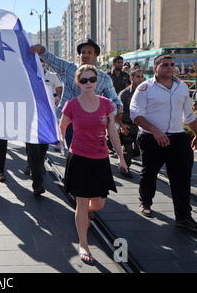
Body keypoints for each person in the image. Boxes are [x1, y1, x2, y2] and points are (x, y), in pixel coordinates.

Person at [59, 65, 128, 265]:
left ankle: (84, 217)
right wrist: (61, 144)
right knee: (81, 203)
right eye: (84, 80)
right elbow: (63, 126)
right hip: (79, 157)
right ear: (78, 83)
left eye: (91, 79)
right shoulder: (71, 104)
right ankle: (83, 243)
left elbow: (112, 132)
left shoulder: (106, 104)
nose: (88, 83)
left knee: (98, 203)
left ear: (97, 81)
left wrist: (121, 157)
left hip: (100, 158)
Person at [130, 55, 197, 231]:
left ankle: (183, 217)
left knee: (182, 178)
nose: (169, 67)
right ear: (155, 68)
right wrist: (155, 131)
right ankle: (145, 201)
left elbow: (188, 115)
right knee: (150, 172)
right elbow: (135, 114)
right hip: (151, 138)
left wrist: (196, 134)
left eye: (172, 65)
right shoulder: (145, 88)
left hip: (178, 137)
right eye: (164, 65)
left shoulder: (182, 87)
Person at [30, 39, 123, 148]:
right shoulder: (69, 68)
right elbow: (51, 59)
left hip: (92, 125)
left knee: (90, 156)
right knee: (74, 153)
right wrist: (40, 49)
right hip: (70, 123)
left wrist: (118, 109)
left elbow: (113, 99)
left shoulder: (104, 78)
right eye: (83, 52)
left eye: (89, 52)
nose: (85, 55)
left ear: (95, 55)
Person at [116, 69, 145, 178]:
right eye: (138, 76)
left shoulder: (145, 92)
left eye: (142, 77)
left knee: (139, 150)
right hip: (127, 125)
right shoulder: (124, 94)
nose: (141, 79)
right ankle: (125, 168)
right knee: (127, 149)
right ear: (132, 78)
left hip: (141, 125)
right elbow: (117, 112)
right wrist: (122, 125)